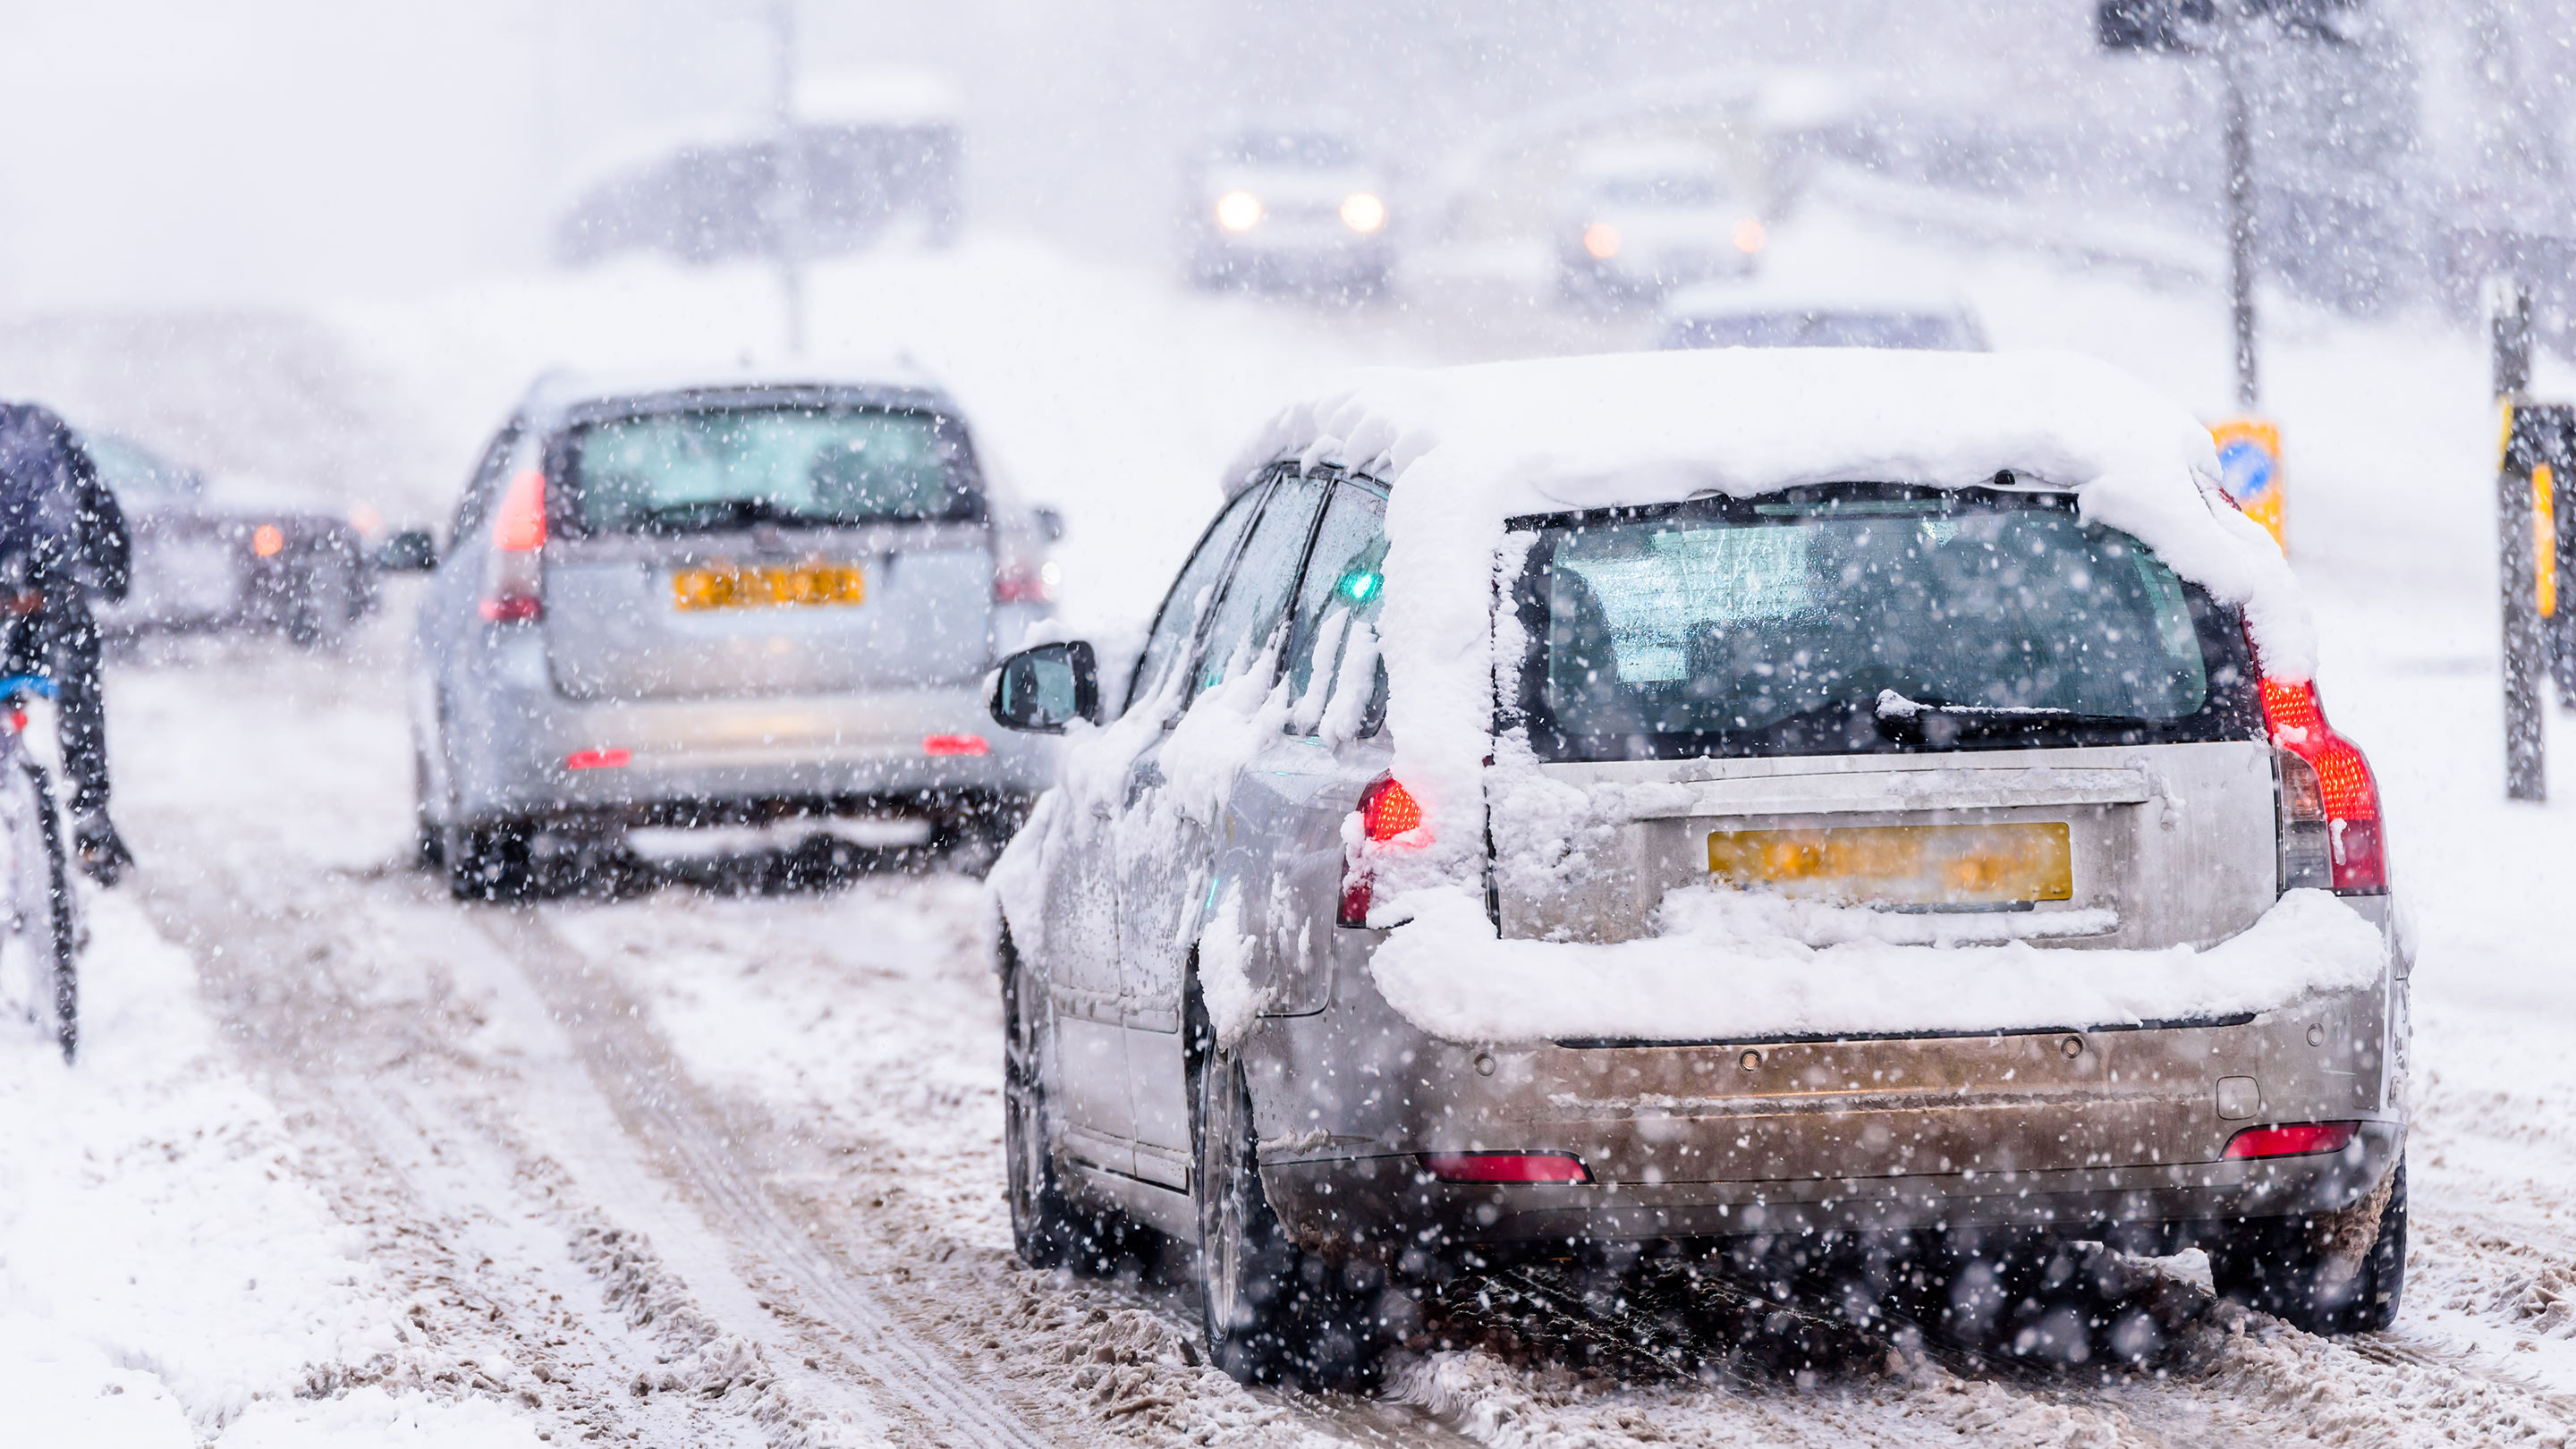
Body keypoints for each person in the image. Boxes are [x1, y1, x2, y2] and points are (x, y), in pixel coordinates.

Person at [0, 402, 131, 886]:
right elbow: (102, 512)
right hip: (51, 595)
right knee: (77, 686)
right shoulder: (43, 429)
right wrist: (113, 579)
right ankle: (90, 817)